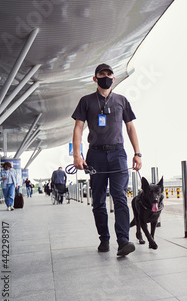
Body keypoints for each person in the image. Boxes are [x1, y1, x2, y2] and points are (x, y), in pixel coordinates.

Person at [71, 63, 142, 256]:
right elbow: (78, 127)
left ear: (114, 78)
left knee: (119, 196)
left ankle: (123, 241)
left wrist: (137, 153)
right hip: (95, 155)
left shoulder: (121, 100)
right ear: (95, 79)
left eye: (109, 74)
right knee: (99, 201)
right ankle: (104, 238)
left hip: (118, 154)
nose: (106, 76)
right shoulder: (86, 101)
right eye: (102, 74)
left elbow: (130, 127)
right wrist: (77, 155)